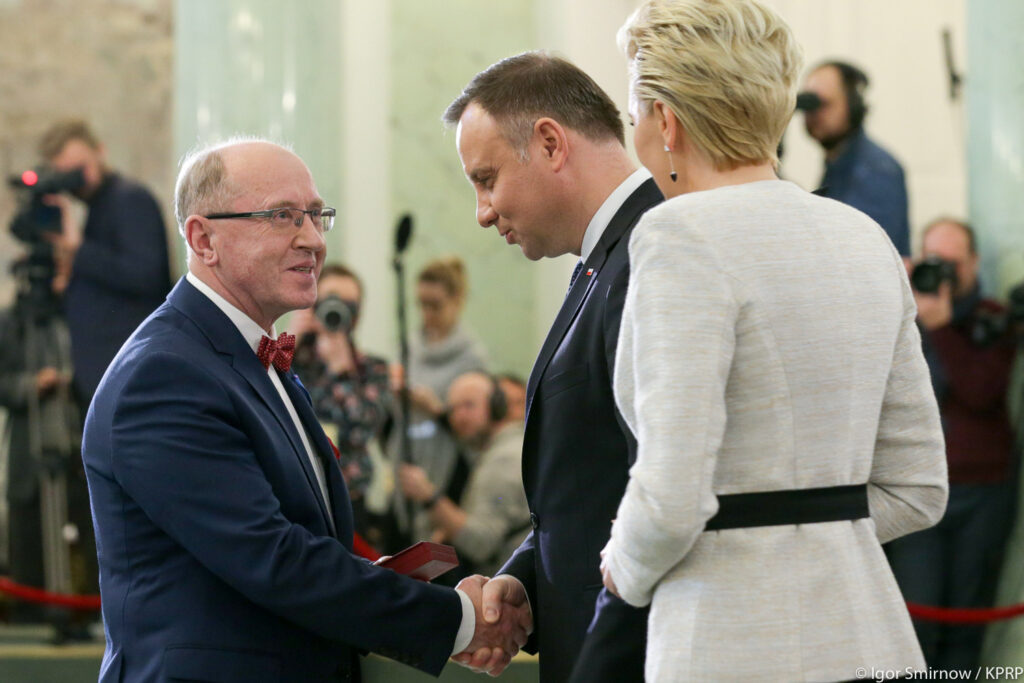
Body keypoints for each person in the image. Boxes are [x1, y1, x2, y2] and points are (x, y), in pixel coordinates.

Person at [81, 138, 530, 682]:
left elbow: (293, 546)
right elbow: (272, 558)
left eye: (318, 216)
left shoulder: (251, 356)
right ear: (204, 239)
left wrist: (384, 582)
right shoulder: (164, 375)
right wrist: (458, 620)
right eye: (283, 217)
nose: (314, 240)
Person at [598, 1, 948, 681]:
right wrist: (815, 534)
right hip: (872, 635)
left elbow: (671, 498)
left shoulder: (679, 235)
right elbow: (918, 486)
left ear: (666, 120)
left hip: (730, 642)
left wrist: (623, 568)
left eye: (634, 109)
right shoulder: (864, 237)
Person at [443, 52, 663, 682]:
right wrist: (526, 578)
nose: (483, 211)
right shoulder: (603, 260)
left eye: (486, 178)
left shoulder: (653, 252)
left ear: (548, 143)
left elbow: (664, 488)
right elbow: (592, 480)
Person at [887, 218, 1017, 671]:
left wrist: (941, 329)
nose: (941, 273)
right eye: (932, 261)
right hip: (917, 492)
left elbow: (981, 392)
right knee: (913, 624)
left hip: (981, 492)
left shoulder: (993, 318)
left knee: (965, 622)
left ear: (975, 263)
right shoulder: (901, 316)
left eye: (953, 263)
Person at [38, 118, 173, 402]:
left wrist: (79, 250)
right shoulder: (97, 205)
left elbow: (146, 276)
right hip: (108, 370)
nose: (78, 180)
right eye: (68, 174)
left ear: (100, 151)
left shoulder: (129, 198)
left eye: (81, 168)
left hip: (129, 369)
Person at [391, 257, 489, 547]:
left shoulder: (472, 357)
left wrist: (436, 408)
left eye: (435, 305)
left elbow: (477, 430)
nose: (427, 313)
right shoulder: (408, 347)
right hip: (406, 458)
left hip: (450, 471)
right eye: (421, 304)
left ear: (457, 301)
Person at [290, 263, 393, 541]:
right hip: (295, 499)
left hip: (350, 502)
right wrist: (288, 340)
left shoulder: (373, 369)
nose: (339, 309)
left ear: (357, 316)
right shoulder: (289, 359)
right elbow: (254, 390)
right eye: (331, 300)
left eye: (349, 304)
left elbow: (363, 432)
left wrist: (342, 371)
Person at [399, 371, 530, 577]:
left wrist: (429, 497)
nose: (459, 417)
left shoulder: (501, 461)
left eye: (469, 405)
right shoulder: (511, 447)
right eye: (453, 409)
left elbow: (481, 544)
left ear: (497, 407)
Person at [801, 60, 911, 256]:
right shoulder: (836, 163)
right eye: (809, 105)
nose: (814, 114)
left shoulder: (876, 170)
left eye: (823, 104)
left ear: (854, 106)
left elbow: (859, 252)